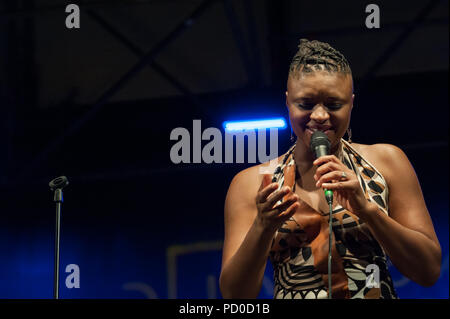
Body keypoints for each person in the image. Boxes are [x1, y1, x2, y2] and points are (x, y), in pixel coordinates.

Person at [219, 39, 441, 299]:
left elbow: (428, 271)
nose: (320, 115)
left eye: (334, 105)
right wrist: (263, 226)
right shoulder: (253, 183)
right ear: (287, 102)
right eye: (306, 104)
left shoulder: (386, 161)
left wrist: (368, 211)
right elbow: (235, 297)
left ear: (352, 102)